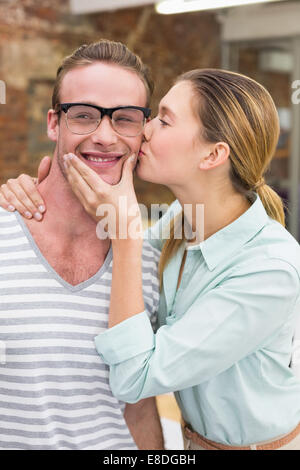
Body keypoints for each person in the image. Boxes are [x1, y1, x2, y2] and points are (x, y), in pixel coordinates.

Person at [2, 69, 300, 450]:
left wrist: (124, 236)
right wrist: (28, 190)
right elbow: (126, 250)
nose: (145, 131)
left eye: (164, 119)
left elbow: (136, 378)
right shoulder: (183, 220)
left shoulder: (268, 270)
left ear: (213, 154)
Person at [0, 39, 164, 450]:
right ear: (55, 123)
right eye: (85, 116)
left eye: (124, 119)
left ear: (143, 131)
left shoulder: (149, 259)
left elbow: (139, 405)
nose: (105, 136)